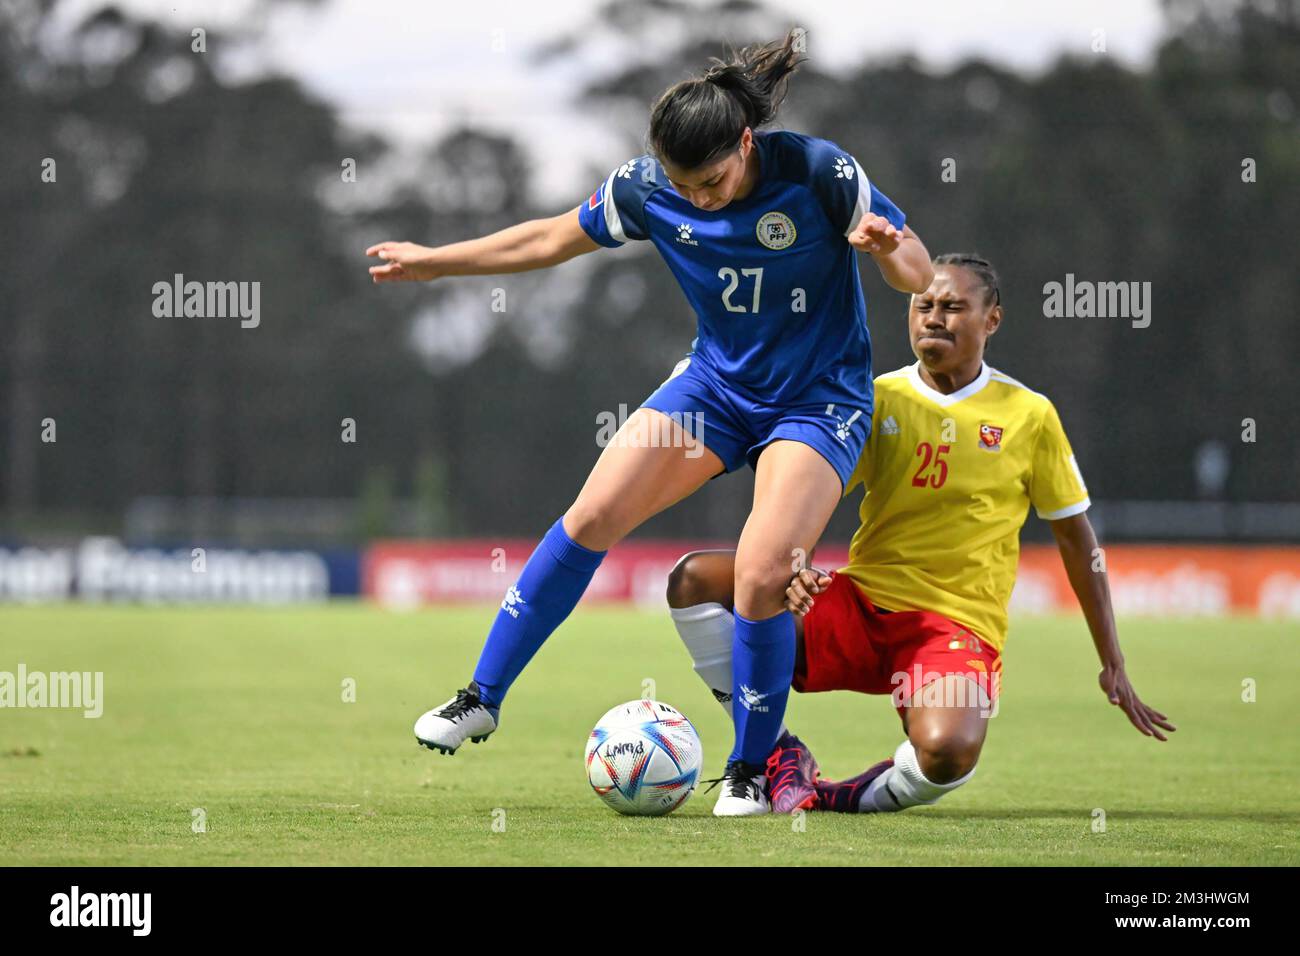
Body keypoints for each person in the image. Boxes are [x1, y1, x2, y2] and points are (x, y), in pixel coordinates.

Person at [368, 32, 933, 816]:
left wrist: (887, 250)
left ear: (746, 142)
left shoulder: (818, 172)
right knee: (592, 514)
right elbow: (548, 238)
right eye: (682, 185)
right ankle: (482, 696)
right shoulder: (644, 189)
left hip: (819, 399)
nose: (696, 198)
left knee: (765, 571)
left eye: (711, 181)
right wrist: (439, 261)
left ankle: (749, 769)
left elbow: (922, 273)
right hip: (715, 389)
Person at [666, 254, 1175, 815]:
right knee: (694, 580)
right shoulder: (874, 397)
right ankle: (774, 754)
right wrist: (797, 562)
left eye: (952, 306)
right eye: (923, 304)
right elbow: (807, 490)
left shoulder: (1030, 416)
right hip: (857, 608)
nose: (933, 317)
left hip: (953, 630)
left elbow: (1079, 544)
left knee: (947, 752)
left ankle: (841, 798)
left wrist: (1113, 660)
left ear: (992, 321)